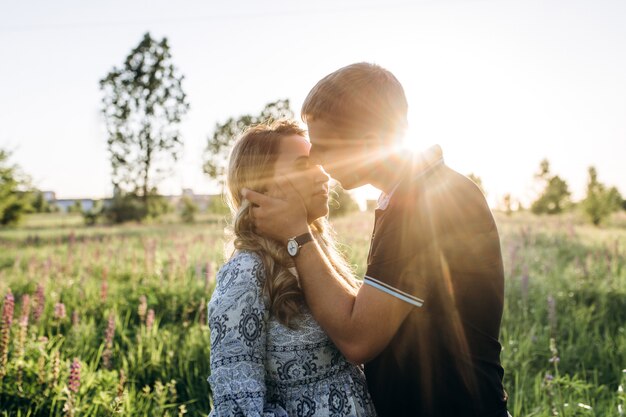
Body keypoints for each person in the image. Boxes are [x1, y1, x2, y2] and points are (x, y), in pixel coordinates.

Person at [243, 63, 510, 417]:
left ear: (367, 143)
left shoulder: (426, 202)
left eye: (323, 145)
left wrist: (297, 234)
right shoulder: (408, 196)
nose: (316, 159)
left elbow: (358, 338)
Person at [207, 120, 378, 417]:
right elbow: (238, 408)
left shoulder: (317, 253)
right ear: (261, 184)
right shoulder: (246, 273)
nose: (323, 175)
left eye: (319, 164)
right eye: (303, 167)